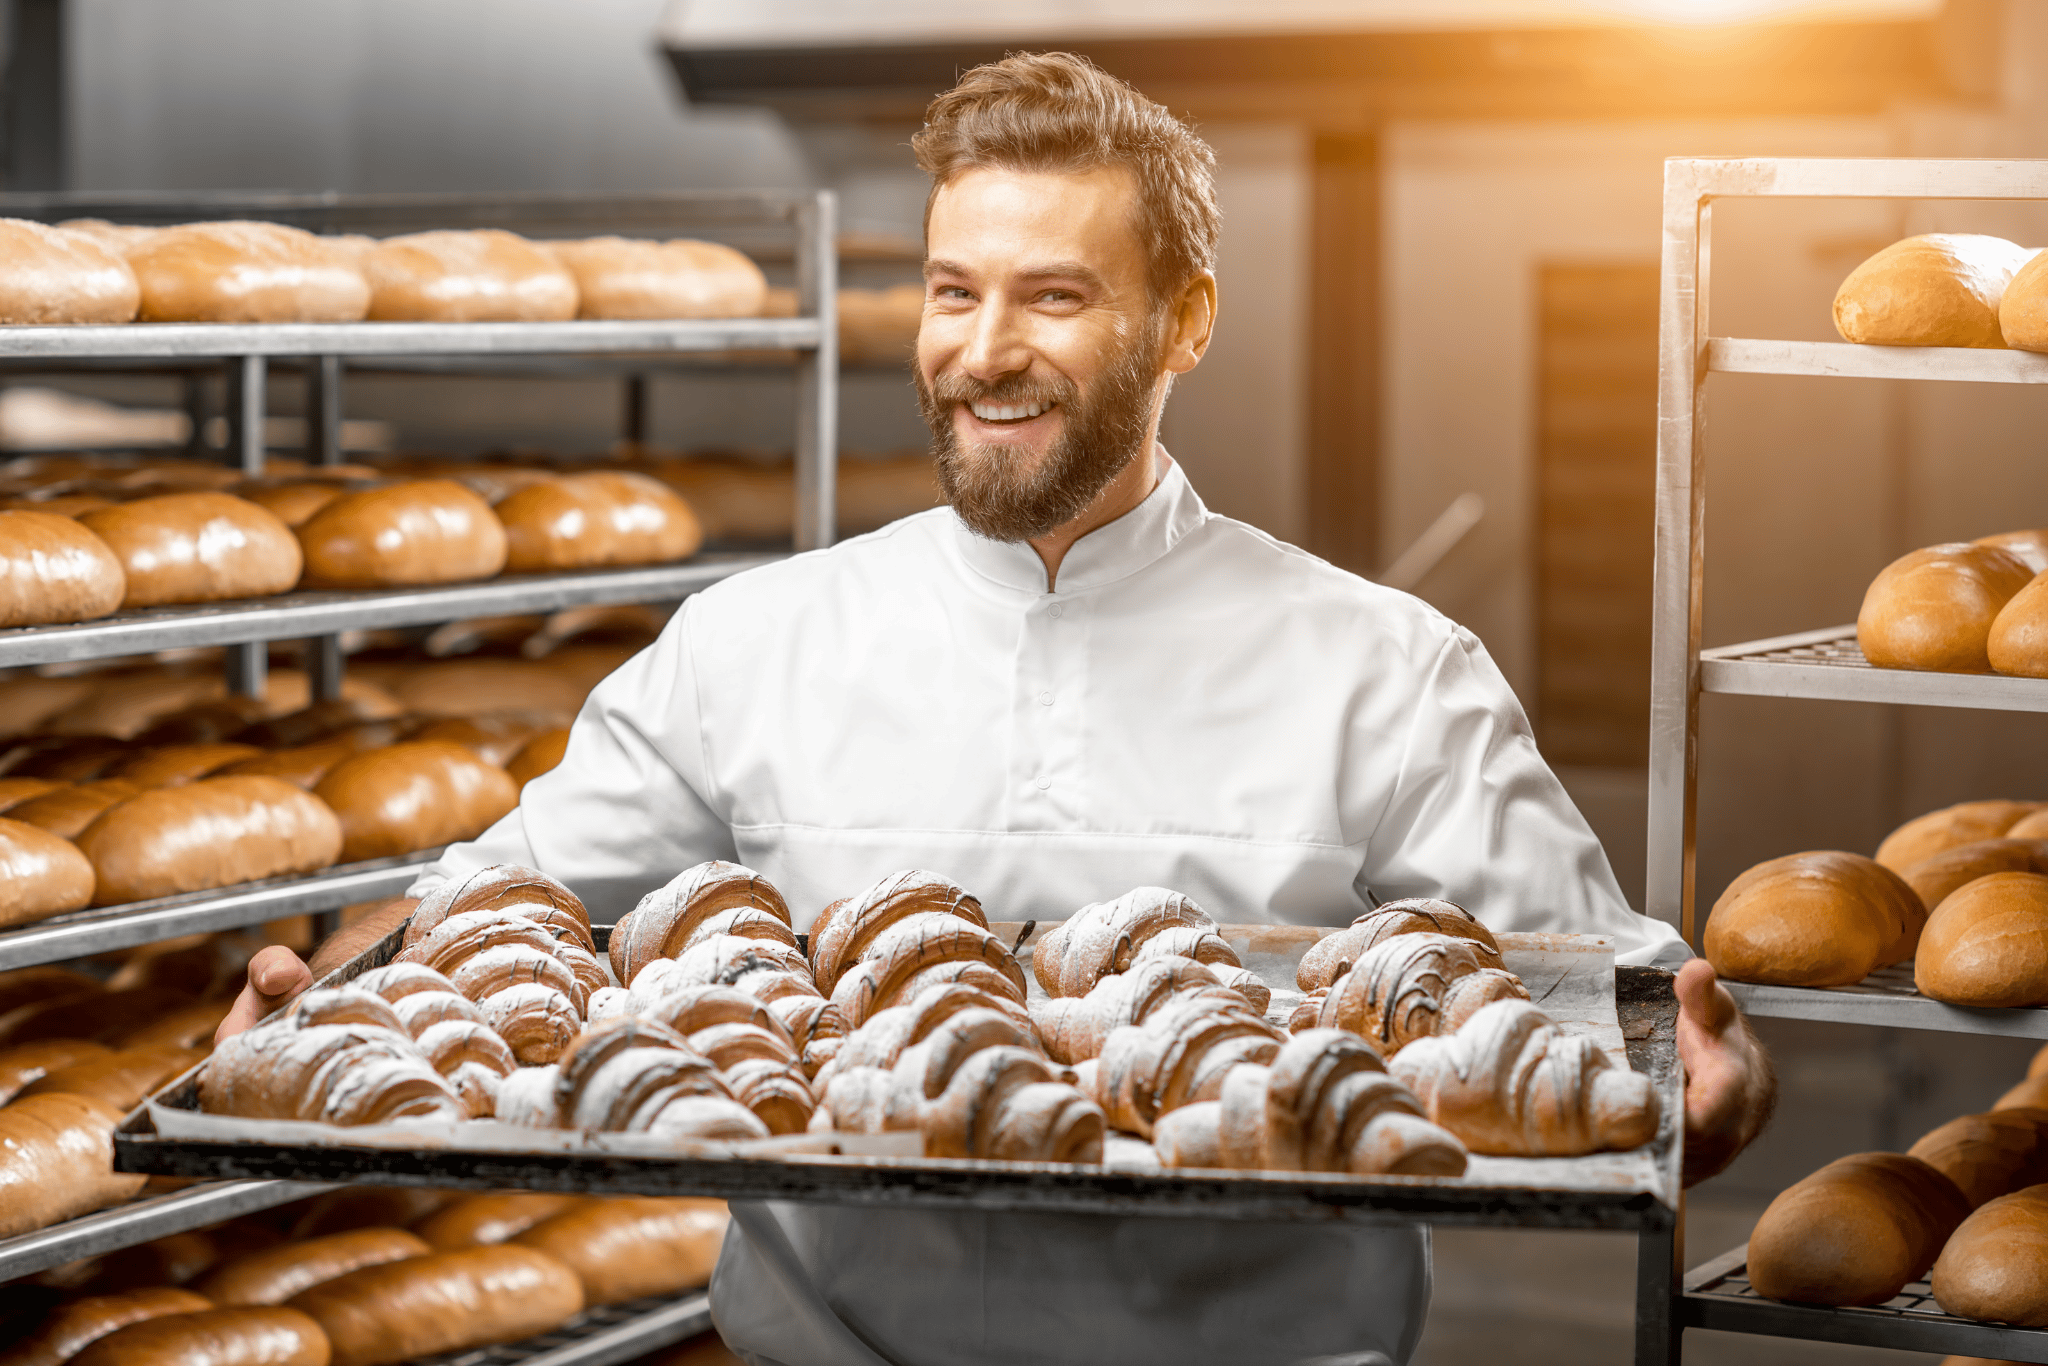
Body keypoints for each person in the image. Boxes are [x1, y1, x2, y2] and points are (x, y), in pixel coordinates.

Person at [220, 52, 1774, 1366]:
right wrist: (332, 998)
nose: (985, 351)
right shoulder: (753, 641)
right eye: (953, 292)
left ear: (1187, 322)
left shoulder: (1386, 667)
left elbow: (1614, 1015)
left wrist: (1715, 1073)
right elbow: (502, 906)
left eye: (1054, 295)